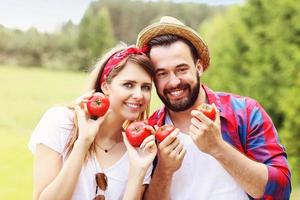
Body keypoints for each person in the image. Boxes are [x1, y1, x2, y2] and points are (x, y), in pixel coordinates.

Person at [136, 16, 291, 200]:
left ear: (199, 67)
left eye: (182, 69)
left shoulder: (245, 112)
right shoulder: (149, 131)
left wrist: (217, 147)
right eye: (162, 73)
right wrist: (164, 170)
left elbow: (280, 190)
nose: (174, 82)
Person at [28, 44, 157, 200]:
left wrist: (138, 171)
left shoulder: (140, 150)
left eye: (146, 87)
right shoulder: (61, 122)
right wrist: (83, 142)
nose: (139, 95)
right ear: (105, 86)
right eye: (128, 85)